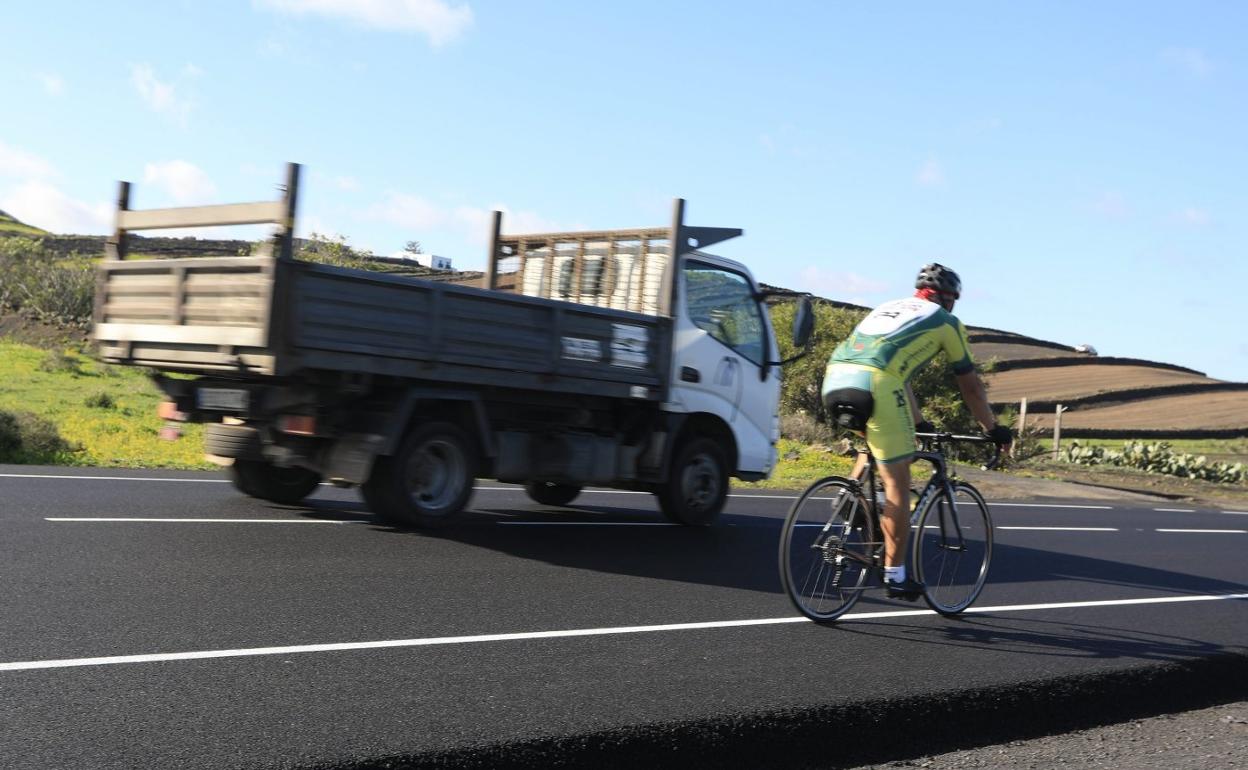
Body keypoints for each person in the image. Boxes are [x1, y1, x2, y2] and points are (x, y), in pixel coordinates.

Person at [820, 263, 1012, 600]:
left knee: (877, 443)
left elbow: (897, 372)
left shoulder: (887, 308)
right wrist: (993, 429)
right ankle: (895, 575)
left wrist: (920, 422)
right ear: (950, 300)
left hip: (836, 376)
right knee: (898, 480)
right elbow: (970, 389)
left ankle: (853, 496)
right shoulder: (946, 322)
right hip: (877, 381)